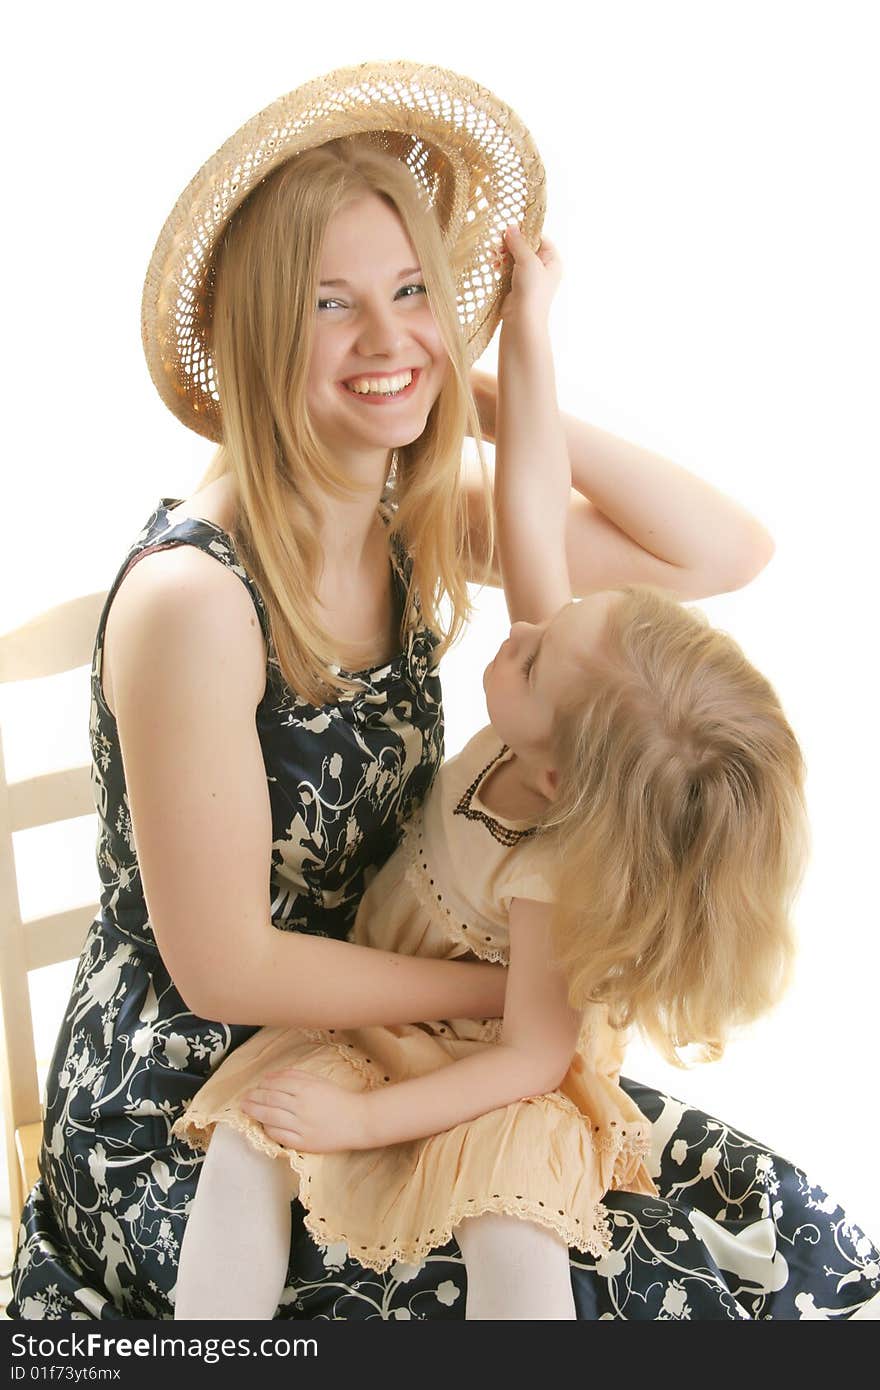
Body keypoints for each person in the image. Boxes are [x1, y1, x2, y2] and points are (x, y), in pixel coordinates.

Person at [10, 63, 877, 1322]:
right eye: (331, 307)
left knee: (746, 1239)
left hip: (407, 1033)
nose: (385, 334)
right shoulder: (195, 602)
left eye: (410, 290)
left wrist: (456, 379)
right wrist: (506, 1000)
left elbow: (719, 554)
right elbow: (228, 969)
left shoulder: (410, 518)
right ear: (258, 333)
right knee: (563, 1296)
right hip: (199, 1093)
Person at [168, 224, 808, 1322]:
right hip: (362, 1019)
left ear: (559, 781)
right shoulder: (561, 716)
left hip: (490, 1063)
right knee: (248, 1147)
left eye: (535, 652)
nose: (518, 631)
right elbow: (528, 499)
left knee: (514, 1222)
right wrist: (516, 351)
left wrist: (369, 1121)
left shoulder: (558, 860)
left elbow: (526, 1054)